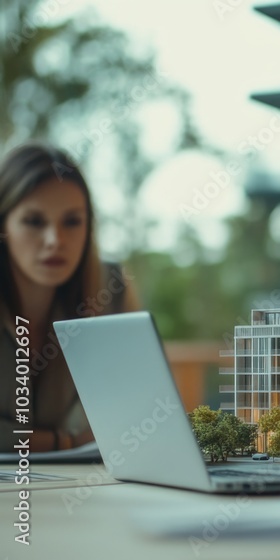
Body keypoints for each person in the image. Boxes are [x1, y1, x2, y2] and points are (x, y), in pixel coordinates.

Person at [1, 142, 140, 452]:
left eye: (72, 221)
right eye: (34, 221)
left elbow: (132, 415)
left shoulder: (109, 289)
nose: (55, 240)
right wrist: (65, 442)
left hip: (73, 486)